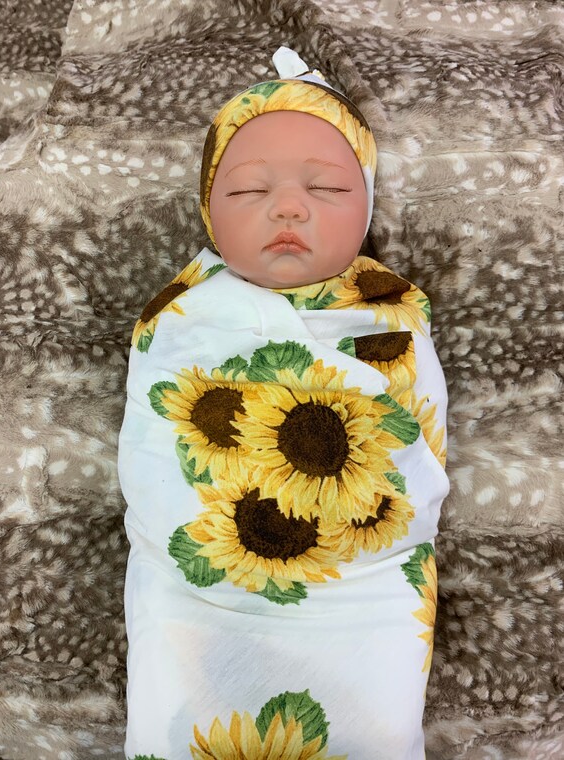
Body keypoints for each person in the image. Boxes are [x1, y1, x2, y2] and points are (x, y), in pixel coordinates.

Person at [118, 47, 449, 760]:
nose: (289, 206)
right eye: (247, 190)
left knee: (372, 727)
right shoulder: (181, 317)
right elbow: (152, 458)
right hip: (197, 597)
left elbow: (413, 455)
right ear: (209, 212)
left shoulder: (389, 317)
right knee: (180, 716)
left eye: (326, 187)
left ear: (368, 206)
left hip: (361, 597)